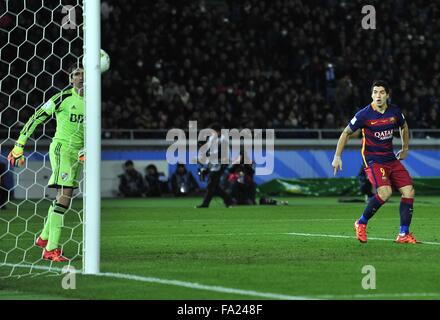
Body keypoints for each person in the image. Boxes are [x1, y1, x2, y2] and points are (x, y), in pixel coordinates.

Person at [8, 66, 85, 261]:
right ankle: (50, 249)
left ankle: (44, 238)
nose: (81, 76)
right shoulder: (63, 98)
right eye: (77, 73)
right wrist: (19, 144)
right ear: (70, 79)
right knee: (64, 197)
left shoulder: (93, 102)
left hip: (78, 154)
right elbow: (37, 117)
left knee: (64, 198)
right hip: (62, 150)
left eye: (84, 73)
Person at [332, 80, 417, 244]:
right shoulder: (364, 114)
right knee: (385, 193)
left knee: (409, 191)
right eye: (375, 92)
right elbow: (346, 133)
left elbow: (404, 126)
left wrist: (405, 148)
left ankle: (403, 234)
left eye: (382, 92)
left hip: (390, 159)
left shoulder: (394, 112)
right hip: (373, 160)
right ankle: (361, 223)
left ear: (387, 95)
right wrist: (337, 156)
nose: (378, 95)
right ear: (372, 95)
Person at [196, 123, 233, 208]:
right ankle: (229, 200)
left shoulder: (223, 140)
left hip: (221, 164)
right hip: (214, 164)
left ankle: (205, 204)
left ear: (218, 132)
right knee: (214, 186)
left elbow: (221, 155)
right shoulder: (212, 138)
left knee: (211, 184)